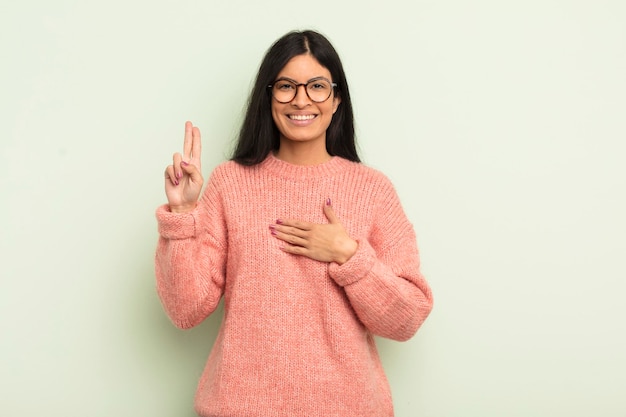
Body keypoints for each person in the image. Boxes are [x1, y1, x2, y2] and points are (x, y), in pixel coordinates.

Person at [155, 30, 433, 417]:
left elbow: (406, 319)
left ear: (337, 99)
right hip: (240, 407)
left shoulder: (372, 190)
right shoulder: (230, 183)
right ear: (268, 96)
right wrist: (183, 216)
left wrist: (349, 256)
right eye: (286, 86)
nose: (301, 99)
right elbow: (187, 311)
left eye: (317, 86)